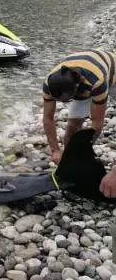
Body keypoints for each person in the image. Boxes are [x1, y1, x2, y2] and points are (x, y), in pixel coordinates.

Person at [41, 48, 116, 198]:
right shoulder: (49, 84)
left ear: (77, 88)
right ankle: (71, 165)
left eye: (67, 100)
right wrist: (56, 150)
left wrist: (84, 150)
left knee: (85, 137)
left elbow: (97, 121)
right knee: (73, 125)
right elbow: (48, 118)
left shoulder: (97, 81)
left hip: (112, 73)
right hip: (79, 79)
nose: (65, 104)